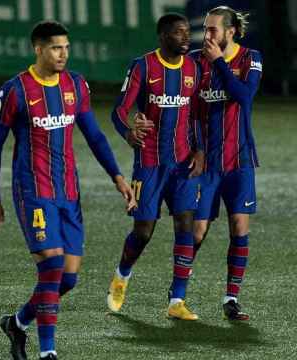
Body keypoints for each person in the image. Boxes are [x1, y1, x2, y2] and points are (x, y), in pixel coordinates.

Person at [0, 21, 135, 360]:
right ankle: (48, 352)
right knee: (51, 267)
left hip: (69, 192)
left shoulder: (75, 85)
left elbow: (94, 135)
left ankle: (18, 323)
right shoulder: (15, 91)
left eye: (66, 47)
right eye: (55, 48)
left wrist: (117, 177)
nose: (63, 54)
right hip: (33, 190)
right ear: (38, 49)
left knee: (67, 279)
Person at [106, 13, 205, 320]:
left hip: (183, 162)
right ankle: (122, 276)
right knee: (144, 231)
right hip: (149, 163)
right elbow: (119, 109)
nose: (187, 38)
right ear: (163, 37)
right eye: (179, 33)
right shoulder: (143, 66)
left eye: (188, 32)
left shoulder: (193, 68)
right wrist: (128, 131)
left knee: (186, 226)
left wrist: (200, 151)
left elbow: (197, 114)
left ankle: (177, 301)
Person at [190, 6, 262, 321]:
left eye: (213, 30)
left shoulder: (250, 58)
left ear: (230, 31)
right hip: (206, 161)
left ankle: (231, 298)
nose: (207, 36)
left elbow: (244, 96)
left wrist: (219, 62)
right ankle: (177, 293)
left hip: (240, 159)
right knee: (197, 231)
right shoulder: (194, 60)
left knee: (239, 227)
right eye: (205, 29)